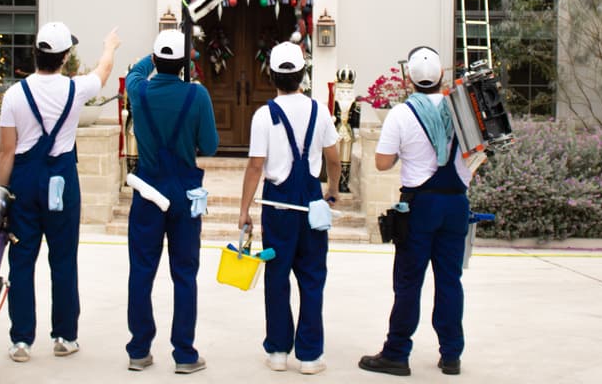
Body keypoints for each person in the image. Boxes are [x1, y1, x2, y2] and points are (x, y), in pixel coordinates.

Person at [0, 21, 120, 363]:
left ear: (36, 53)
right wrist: (110, 45)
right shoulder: (76, 89)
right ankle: (65, 336)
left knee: (21, 261)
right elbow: (104, 70)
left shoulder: (14, 95)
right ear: (65, 57)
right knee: (63, 260)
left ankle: (21, 341)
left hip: (23, 181)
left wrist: (1, 193)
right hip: (61, 182)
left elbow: (7, 151)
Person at [358, 46, 471, 377]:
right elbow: (478, 156)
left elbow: (381, 163)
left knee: (409, 281)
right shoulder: (462, 112)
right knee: (450, 279)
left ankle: (397, 352)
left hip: (419, 205)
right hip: (456, 203)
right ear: (441, 78)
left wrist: (402, 155)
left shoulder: (401, 114)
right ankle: (451, 354)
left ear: (409, 78)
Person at [238, 42, 341, 376]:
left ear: (272, 76)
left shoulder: (264, 115)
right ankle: (310, 356)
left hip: (277, 208)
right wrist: (333, 190)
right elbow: (334, 158)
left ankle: (279, 351)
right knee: (312, 278)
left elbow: (256, 166)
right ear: (303, 75)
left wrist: (244, 210)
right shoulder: (320, 111)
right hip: (311, 205)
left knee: (277, 277)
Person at [124, 29, 219, 374]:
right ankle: (184, 354)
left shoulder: (139, 90)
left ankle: (138, 350)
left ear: (156, 59)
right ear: (183, 62)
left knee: (142, 270)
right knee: (184, 273)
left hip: (148, 189)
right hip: (183, 192)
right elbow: (208, 146)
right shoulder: (197, 95)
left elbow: (133, 73)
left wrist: (152, 56)